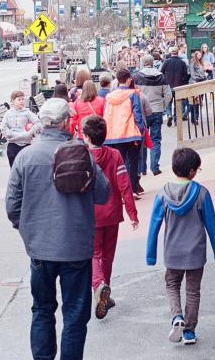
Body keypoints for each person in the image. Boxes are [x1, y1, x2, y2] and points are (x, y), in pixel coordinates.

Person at [5, 98, 110, 360]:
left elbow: (12, 206)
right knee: (75, 314)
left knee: (42, 309)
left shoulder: (25, 157)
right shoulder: (82, 153)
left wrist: (28, 229)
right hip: (75, 246)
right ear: (66, 122)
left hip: (40, 248)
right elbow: (103, 193)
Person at [146, 148, 215, 346]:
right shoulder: (201, 193)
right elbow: (212, 225)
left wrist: (151, 255)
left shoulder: (162, 194)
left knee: (172, 285)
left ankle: (176, 317)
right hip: (196, 253)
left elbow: (154, 225)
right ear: (191, 171)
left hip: (172, 253)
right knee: (192, 291)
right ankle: (189, 332)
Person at [83, 115, 137, 320]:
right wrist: (132, 212)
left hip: (90, 214)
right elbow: (124, 184)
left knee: (93, 254)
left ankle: (98, 286)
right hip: (112, 212)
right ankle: (105, 291)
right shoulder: (114, 155)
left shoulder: (83, 156)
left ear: (87, 137)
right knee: (108, 255)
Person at [103, 68, 146, 196]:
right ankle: (132, 189)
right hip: (130, 133)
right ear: (128, 80)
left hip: (113, 135)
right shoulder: (133, 94)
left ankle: (120, 190)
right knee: (133, 162)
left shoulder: (109, 97)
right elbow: (137, 115)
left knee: (118, 164)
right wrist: (141, 130)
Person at [133, 54, 172, 176]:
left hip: (143, 112)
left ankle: (142, 169)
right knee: (156, 139)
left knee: (142, 140)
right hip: (156, 111)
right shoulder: (161, 76)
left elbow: (134, 94)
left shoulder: (137, 77)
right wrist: (163, 106)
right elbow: (168, 95)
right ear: (153, 62)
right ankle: (155, 167)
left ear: (143, 63)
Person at [0, 91, 41, 167]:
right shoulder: (8, 113)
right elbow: (3, 127)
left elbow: (37, 123)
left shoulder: (27, 112)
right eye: (19, 99)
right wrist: (9, 134)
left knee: (25, 168)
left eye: (23, 99)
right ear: (13, 101)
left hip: (25, 144)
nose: (22, 101)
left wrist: (29, 133)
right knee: (14, 168)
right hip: (13, 143)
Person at [160, 48, 189, 128]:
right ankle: (176, 120)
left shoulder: (166, 61)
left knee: (168, 103)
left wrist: (165, 81)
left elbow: (161, 73)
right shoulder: (182, 63)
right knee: (178, 104)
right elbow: (185, 76)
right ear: (177, 53)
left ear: (171, 53)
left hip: (168, 86)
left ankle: (169, 115)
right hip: (178, 87)